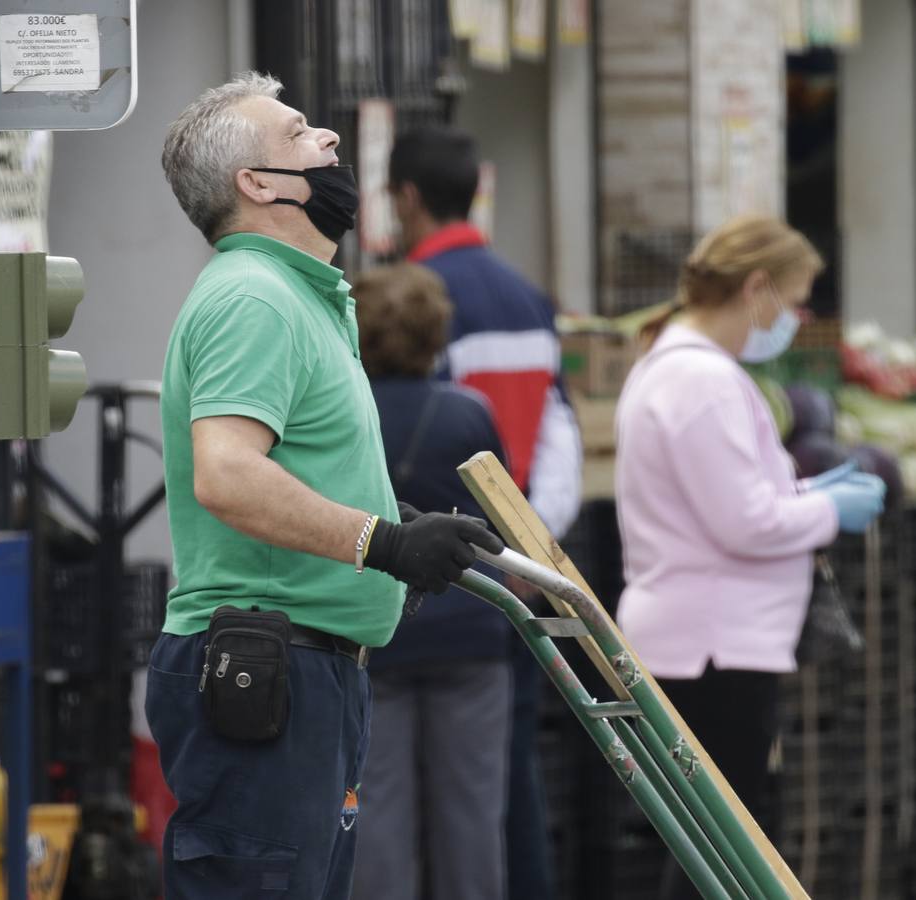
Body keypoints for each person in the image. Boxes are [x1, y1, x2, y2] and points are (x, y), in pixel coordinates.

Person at [150, 73, 503, 900]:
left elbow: (286, 466)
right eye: (301, 132)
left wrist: (390, 525)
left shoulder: (297, 295)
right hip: (270, 668)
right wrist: (380, 542)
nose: (331, 142)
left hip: (303, 669)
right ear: (258, 184)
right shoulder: (256, 298)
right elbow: (227, 473)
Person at [612, 215, 886, 900]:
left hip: (704, 635)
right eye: (792, 301)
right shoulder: (701, 380)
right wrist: (827, 509)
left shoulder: (679, 369)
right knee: (723, 850)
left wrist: (802, 491)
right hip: (713, 643)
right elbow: (744, 521)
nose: (793, 318)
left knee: (710, 844)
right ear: (755, 288)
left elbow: (731, 500)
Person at [389, 125, 582, 900]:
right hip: (520, 575)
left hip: (441, 576)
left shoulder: (416, 301)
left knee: (411, 809)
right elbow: (560, 431)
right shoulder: (528, 297)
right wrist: (535, 551)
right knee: (501, 794)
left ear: (405, 197)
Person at [349, 263, 513, 900]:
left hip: (378, 631)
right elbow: (507, 518)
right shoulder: (469, 412)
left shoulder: (347, 411)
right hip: (471, 633)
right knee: (472, 815)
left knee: (378, 814)